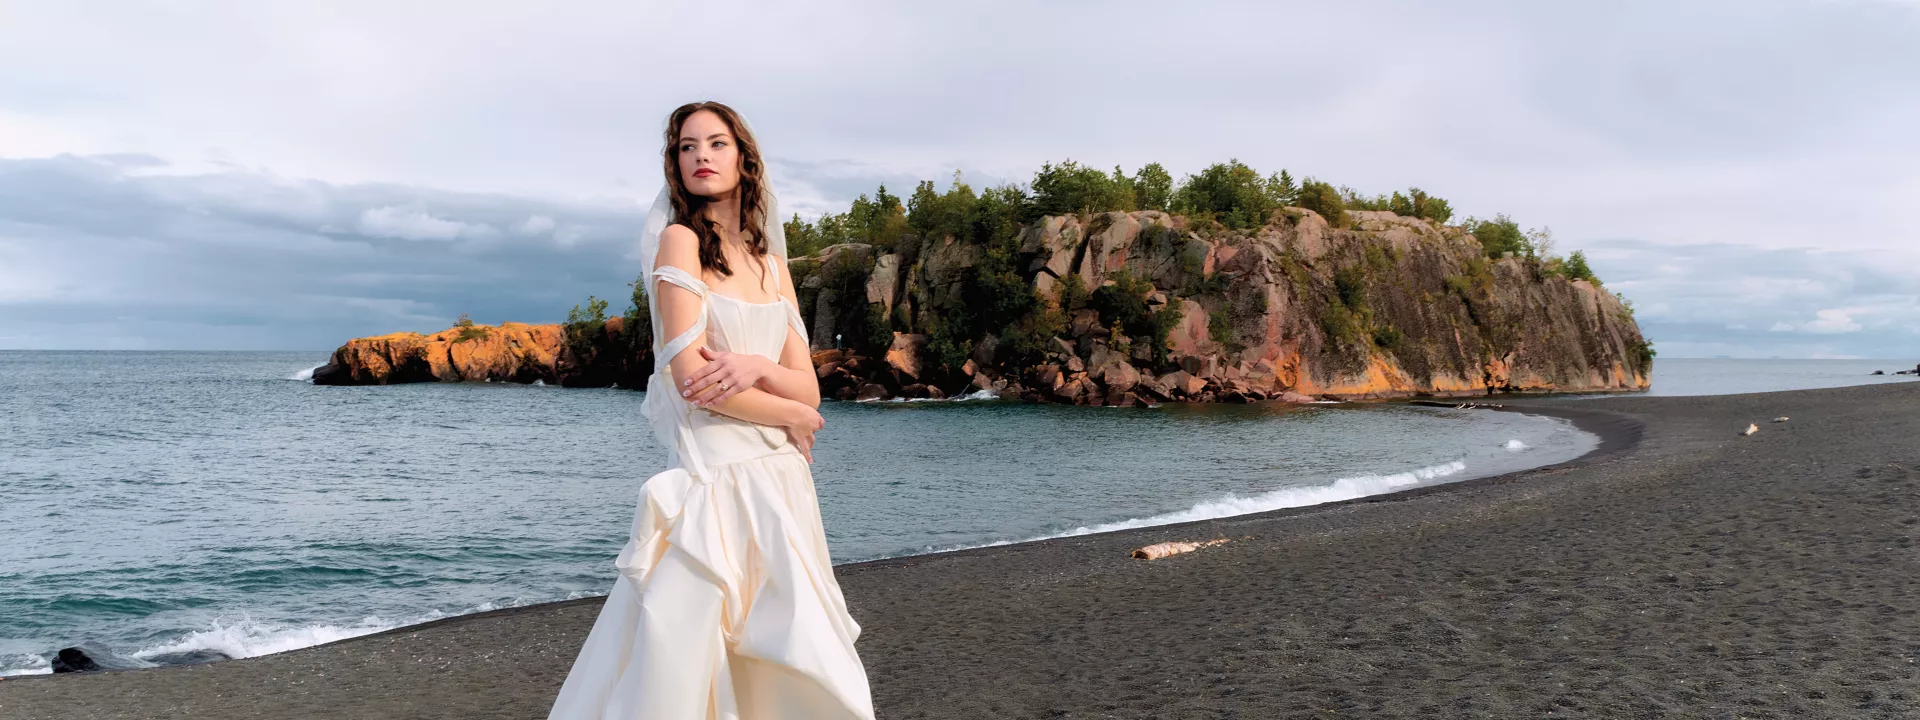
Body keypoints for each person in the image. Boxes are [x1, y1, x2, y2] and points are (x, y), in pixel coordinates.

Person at [548, 101, 875, 720]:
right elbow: (692, 378)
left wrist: (760, 371)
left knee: (792, 656)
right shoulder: (679, 241)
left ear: (744, 159)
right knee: (690, 657)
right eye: (686, 147)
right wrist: (789, 416)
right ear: (675, 165)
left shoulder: (773, 267)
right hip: (717, 476)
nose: (701, 156)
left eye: (716, 143)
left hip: (781, 482)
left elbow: (807, 389)